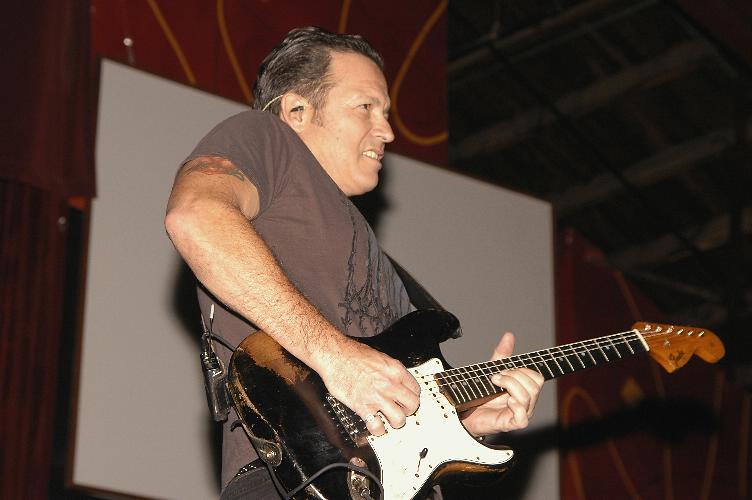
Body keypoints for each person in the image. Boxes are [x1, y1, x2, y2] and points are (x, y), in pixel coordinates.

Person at [165, 26, 544, 499]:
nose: (387, 131)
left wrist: (465, 419)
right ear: (296, 111)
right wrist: (335, 356)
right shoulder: (264, 137)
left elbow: (391, 404)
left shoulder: (385, 269)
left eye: (386, 113)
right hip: (296, 482)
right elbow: (196, 216)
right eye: (366, 106)